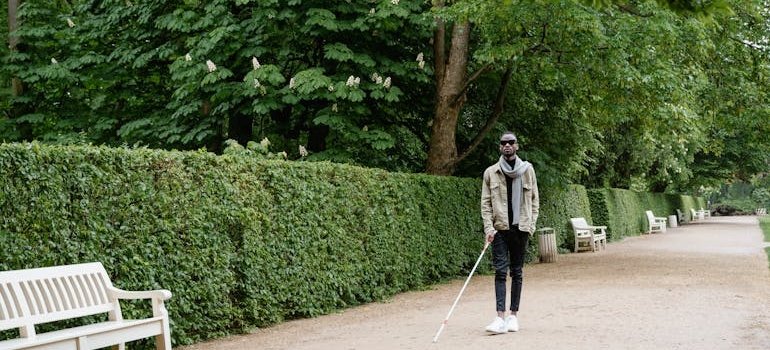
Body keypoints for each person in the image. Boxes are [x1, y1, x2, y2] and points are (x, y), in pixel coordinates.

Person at [480, 131, 539, 334]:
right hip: (500, 230)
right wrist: (489, 228)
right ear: (500, 147)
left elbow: (534, 201)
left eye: (511, 142)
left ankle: (513, 316)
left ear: (517, 146)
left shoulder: (527, 170)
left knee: (517, 272)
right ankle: (499, 317)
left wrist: (530, 226)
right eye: (503, 143)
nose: (507, 145)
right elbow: (485, 204)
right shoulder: (491, 172)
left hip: (520, 228)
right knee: (500, 272)